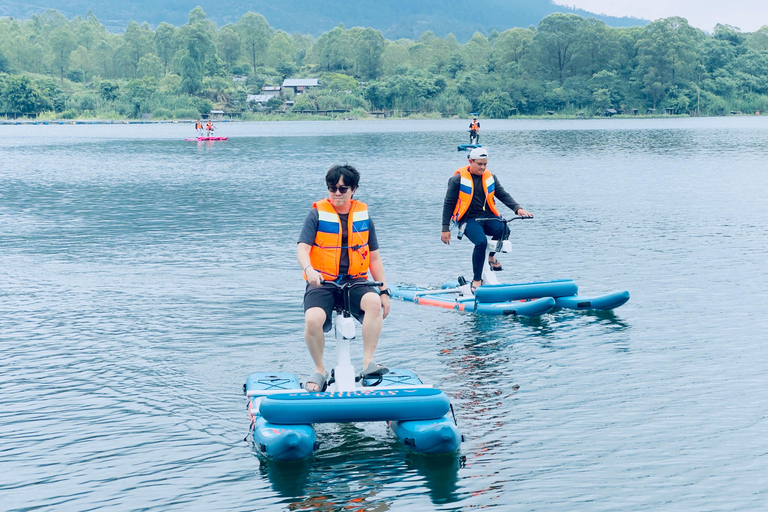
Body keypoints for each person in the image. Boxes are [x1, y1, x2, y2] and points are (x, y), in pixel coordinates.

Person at [297, 164, 391, 392]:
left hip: (356, 281)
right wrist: (309, 270)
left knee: (374, 304)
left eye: (343, 188)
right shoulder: (316, 213)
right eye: (332, 188)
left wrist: (385, 292)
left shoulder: (364, 217)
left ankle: (368, 363)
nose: (337, 193)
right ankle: (320, 369)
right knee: (312, 319)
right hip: (323, 282)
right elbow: (302, 248)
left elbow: (375, 258)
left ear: (354, 189)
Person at [440, 147, 533, 293]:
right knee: (481, 242)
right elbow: (449, 204)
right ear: (470, 161)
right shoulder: (457, 180)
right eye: (479, 164)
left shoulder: (490, 177)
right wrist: (445, 229)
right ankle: (477, 279)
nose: (482, 167)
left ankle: (491, 257)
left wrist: (518, 209)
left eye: (485, 164)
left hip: (487, 216)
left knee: (504, 229)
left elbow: (502, 194)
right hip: (468, 219)